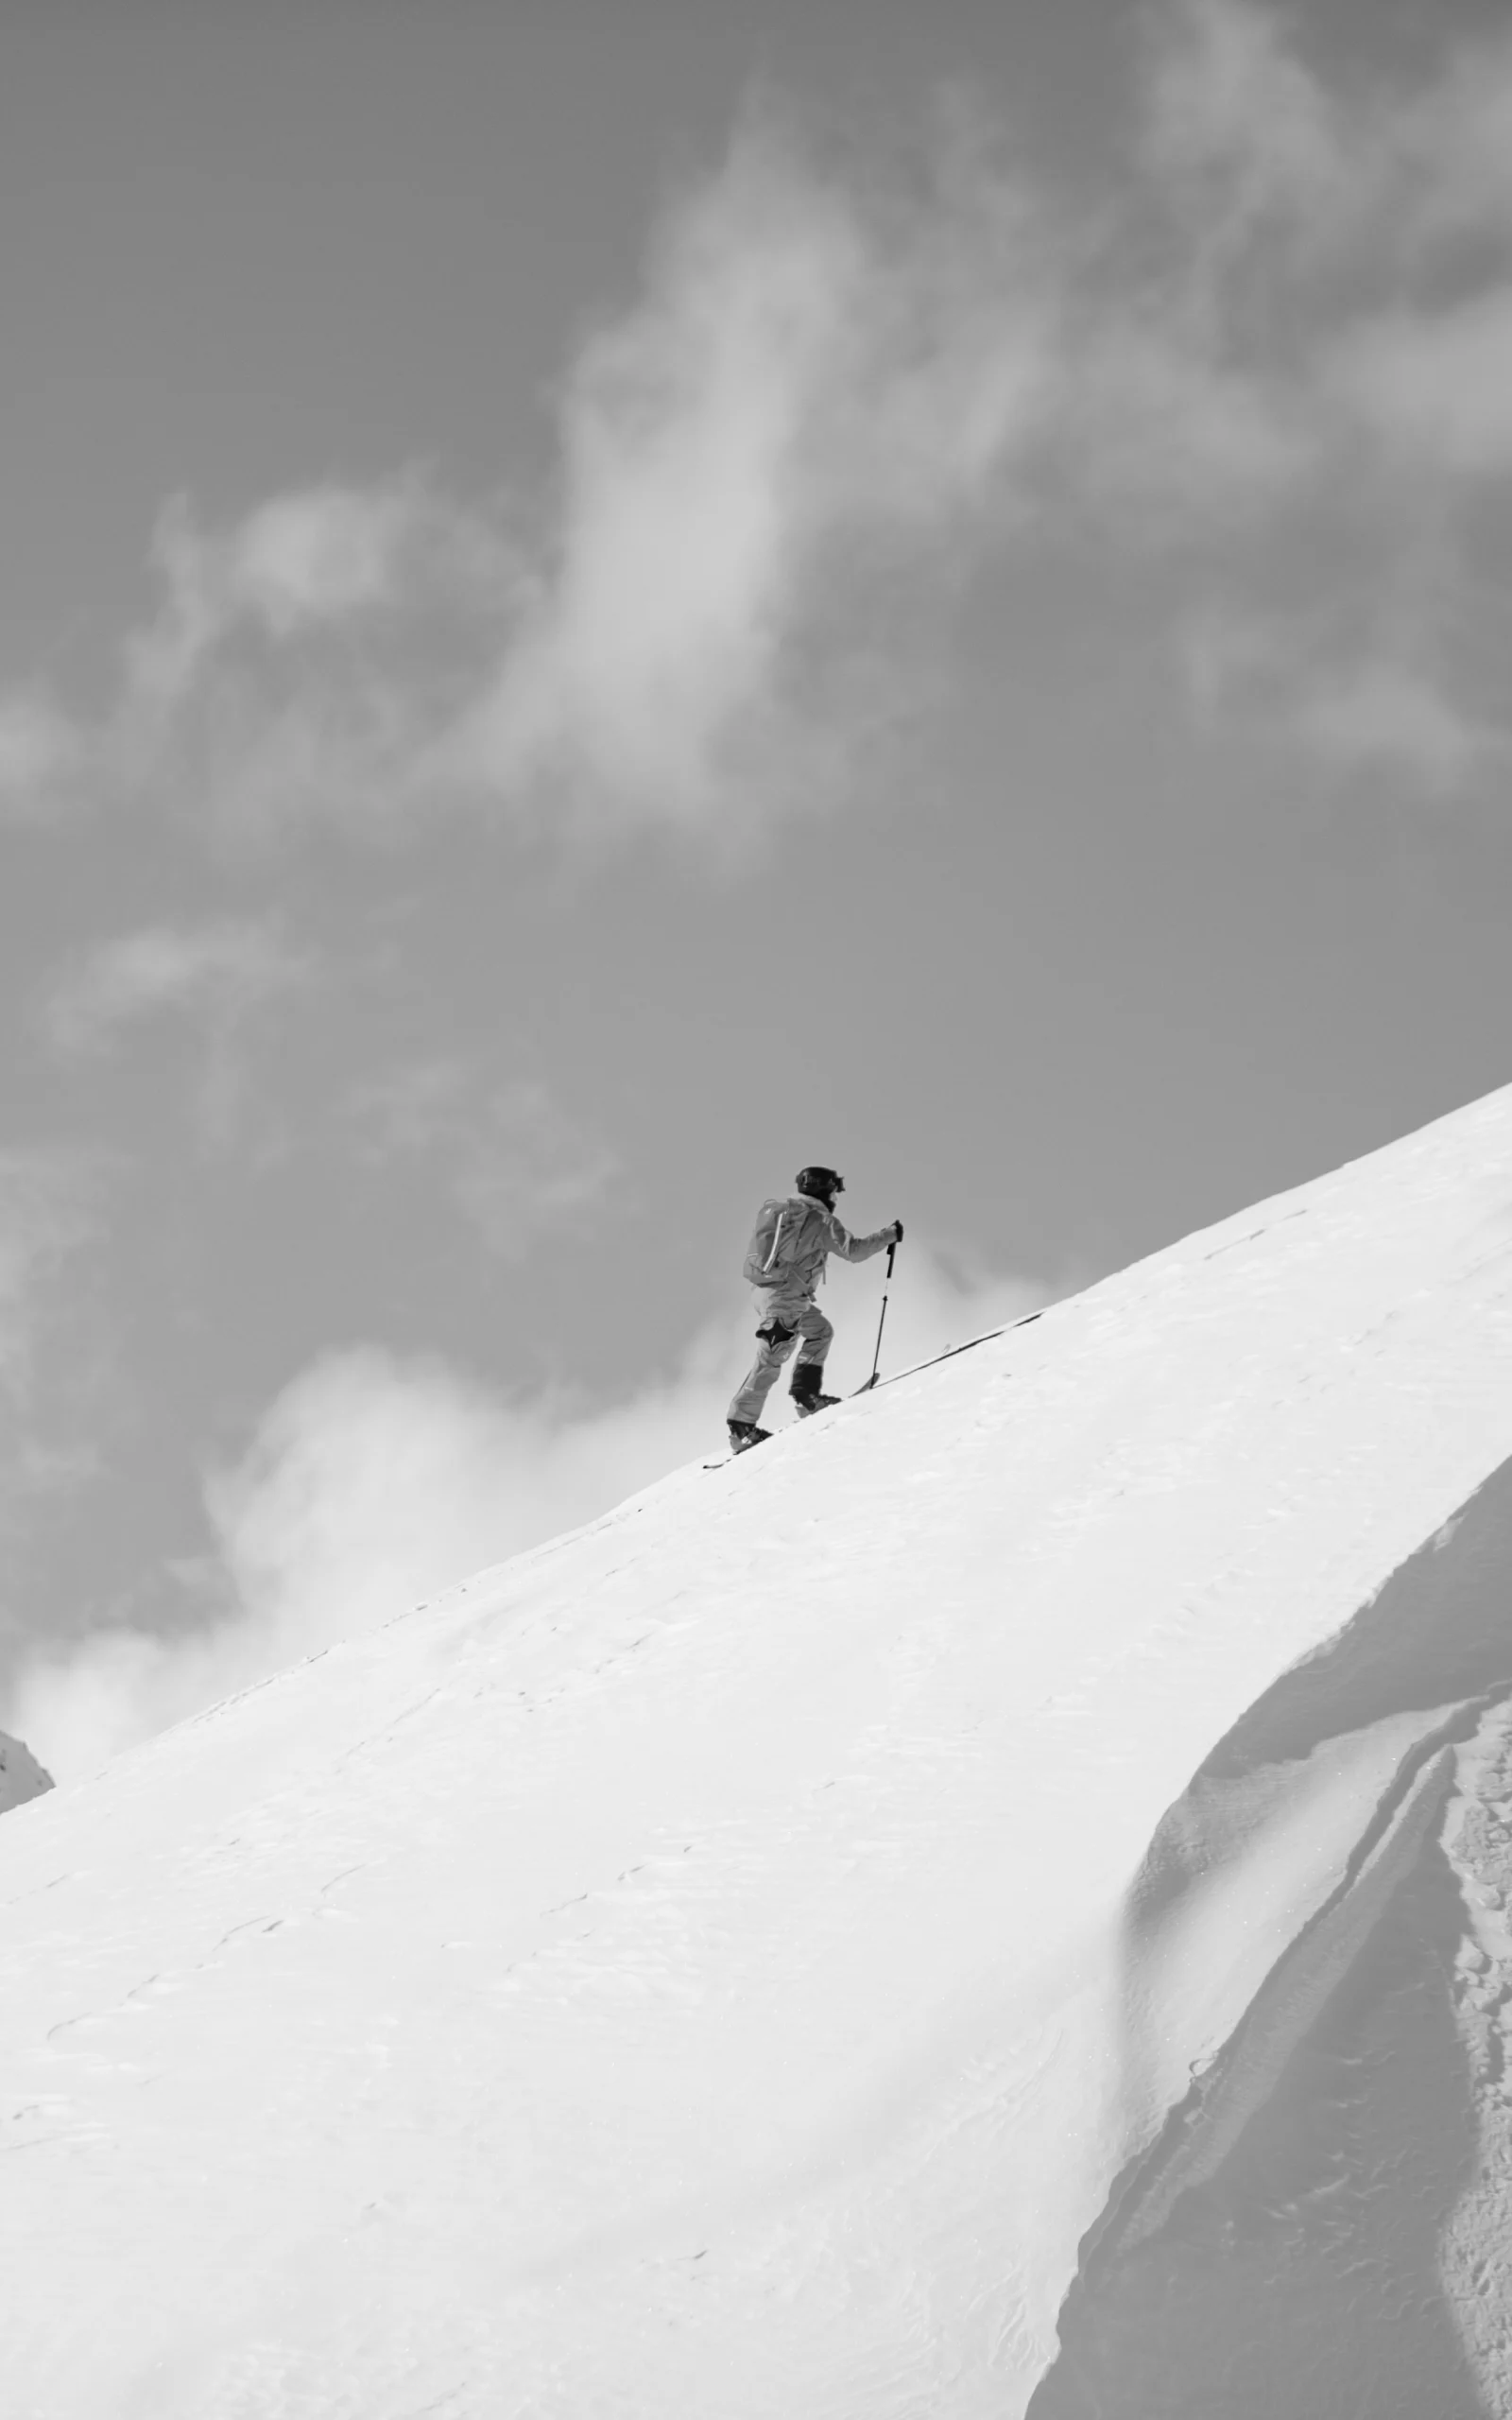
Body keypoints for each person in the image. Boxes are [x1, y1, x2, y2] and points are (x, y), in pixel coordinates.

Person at [727, 1167, 902, 1452]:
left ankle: (807, 1397)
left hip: (767, 1293)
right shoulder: (820, 1219)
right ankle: (741, 1426)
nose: (835, 1198)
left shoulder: (787, 1213)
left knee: (820, 1331)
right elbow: (855, 1251)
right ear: (824, 1190)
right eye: (833, 1192)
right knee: (771, 1359)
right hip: (785, 1299)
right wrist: (889, 1235)